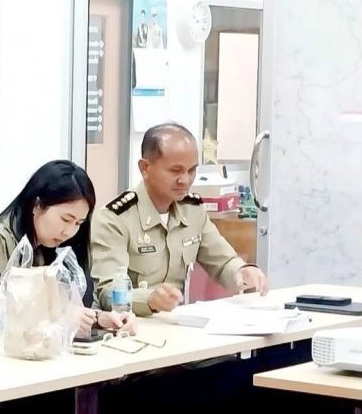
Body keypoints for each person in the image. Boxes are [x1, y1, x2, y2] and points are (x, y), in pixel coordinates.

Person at [91, 122, 267, 317]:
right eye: (175, 171)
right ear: (145, 168)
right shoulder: (114, 219)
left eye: (191, 170)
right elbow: (107, 293)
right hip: (130, 326)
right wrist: (149, 299)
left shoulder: (192, 210)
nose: (185, 180)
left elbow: (223, 261)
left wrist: (242, 272)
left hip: (176, 324)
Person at [0, 160, 136, 341]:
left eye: (78, 223)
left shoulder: (45, 247)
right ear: (37, 205)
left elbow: (63, 307)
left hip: (31, 350)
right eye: (65, 219)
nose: (69, 231)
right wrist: (56, 320)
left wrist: (99, 319)